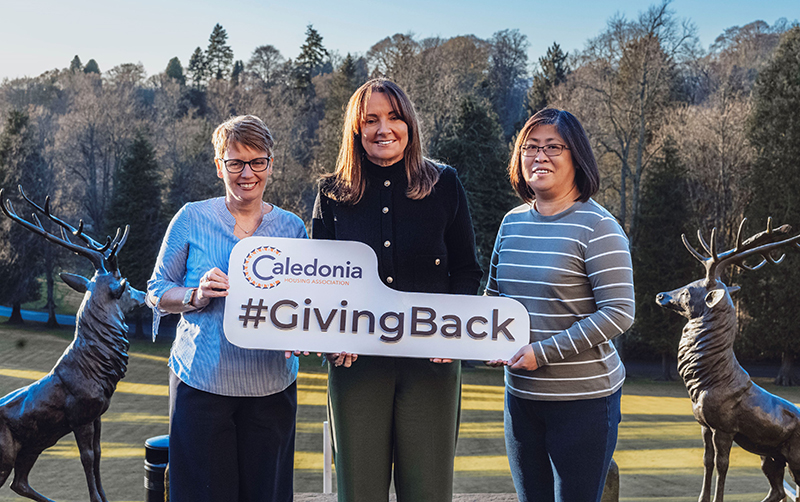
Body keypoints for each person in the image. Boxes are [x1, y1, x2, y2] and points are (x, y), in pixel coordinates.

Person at [312, 78, 482, 502]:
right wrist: (331, 339)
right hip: (355, 364)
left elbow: (466, 269)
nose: (383, 128)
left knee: (427, 490)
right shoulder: (331, 193)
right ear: (356, 129)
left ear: (410, 124)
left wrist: (454, 332)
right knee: (359, 491)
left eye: (394, 117)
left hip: (432, 360)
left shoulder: (445, 184)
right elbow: (317, 281)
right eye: (370, 119)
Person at [146, 115, 307, 502]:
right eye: (235, 162)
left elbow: (307, 303)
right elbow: (156, 291)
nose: (246, 173)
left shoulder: (293, 228)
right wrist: (195, 296)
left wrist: (304, 333)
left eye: (257, 162)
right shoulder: (191, 218)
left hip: (272, 388)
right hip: (201, 386)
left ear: (271, 164)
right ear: (219, 166)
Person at [486, 108, 634, 502]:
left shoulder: (598, 226)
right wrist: (483, 341)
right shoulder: (511, 222)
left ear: (577, 157)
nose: (540, 156)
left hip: (584, 403)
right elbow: (494, 296)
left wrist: (544, 353)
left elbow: (619, 312)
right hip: (520, 398)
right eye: (530, 147)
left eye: (553, 147)